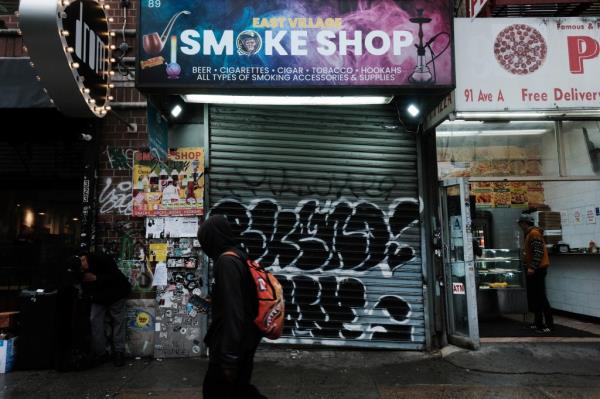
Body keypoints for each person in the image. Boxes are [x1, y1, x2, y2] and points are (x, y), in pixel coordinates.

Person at [198, 215, 266, 399]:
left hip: (231, 346)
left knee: (215, 392)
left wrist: (229, 358)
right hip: (245, 341)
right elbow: (240, 299)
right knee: (240, 391)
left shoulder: (226, 262)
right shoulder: (239, 256)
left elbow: (234, 312)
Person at [78, 252, 132, 366]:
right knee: (95, 320)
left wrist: (96, 278)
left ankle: (118, 351)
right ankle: (101, 351)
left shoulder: (103, 260)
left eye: (83, 260)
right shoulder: (83, 270)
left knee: (118, 321)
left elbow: (115, 277)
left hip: (116, 294)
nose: (82, 264)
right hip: (99, 297)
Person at [517, 213, 554, 333]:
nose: (519, 226)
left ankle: (549, 325)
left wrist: (532, 267)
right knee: (536, 298)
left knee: (541, 297)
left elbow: (538, 252)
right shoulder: (529, 234)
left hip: (538, 270)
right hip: (535, 269)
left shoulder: (534, 233)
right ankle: (538, 323)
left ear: (524, 223)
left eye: (520, 223)